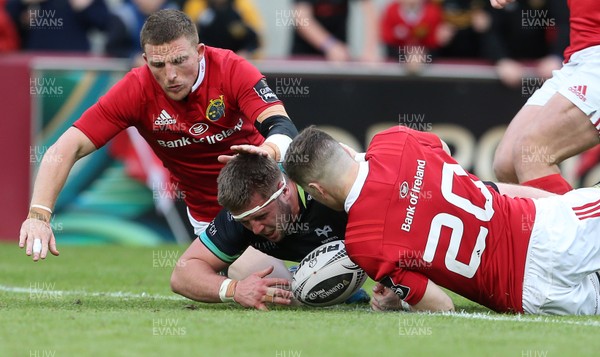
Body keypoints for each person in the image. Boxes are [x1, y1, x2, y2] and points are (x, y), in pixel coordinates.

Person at [19, 8, 298, 287]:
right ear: (145, 60)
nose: (171, 75)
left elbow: (282, 127)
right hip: (220, 221)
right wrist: (38, 215)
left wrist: (270, 151)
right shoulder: (136, 90)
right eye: (158, 65)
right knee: (283, 290)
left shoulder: (231, 69)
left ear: (199, 51)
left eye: (179, 61)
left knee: (334, 259)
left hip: (275, 200)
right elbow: (65, 148)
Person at [283, 125, 600, 315]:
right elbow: (443, 149)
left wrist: (399, 297)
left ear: (316, 190)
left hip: (527, 295)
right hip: (542, 232)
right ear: (343, 148)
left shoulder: (363, 244)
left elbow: (442, 306)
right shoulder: (393, 140)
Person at [170, 153, 361, 310]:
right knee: (281, 298)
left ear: (284, 191)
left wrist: (389, 280)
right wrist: (235, 289)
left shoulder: (327, 187)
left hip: (362, 246)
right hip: (305, 261)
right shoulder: (240, 217)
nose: (256, 229)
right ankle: (310, 278)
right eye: (245, 221)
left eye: (261, 216)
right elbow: (182, 275)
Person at [491, 0, 600, 194]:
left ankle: (580, 223)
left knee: (531, 153)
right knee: (506, 163)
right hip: (577, 58)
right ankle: (574, 220)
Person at [480, 0, 569, 88]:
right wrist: (501, 59)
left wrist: (556, 57)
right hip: (508, 61)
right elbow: (490, 30)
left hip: (545, 61)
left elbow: (566, 25)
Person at [291, 0, 380, 62]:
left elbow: (369, 9)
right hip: (305, 57)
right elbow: (301, 19)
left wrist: (369, 50)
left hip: (340, 60)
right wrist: (330, 45)